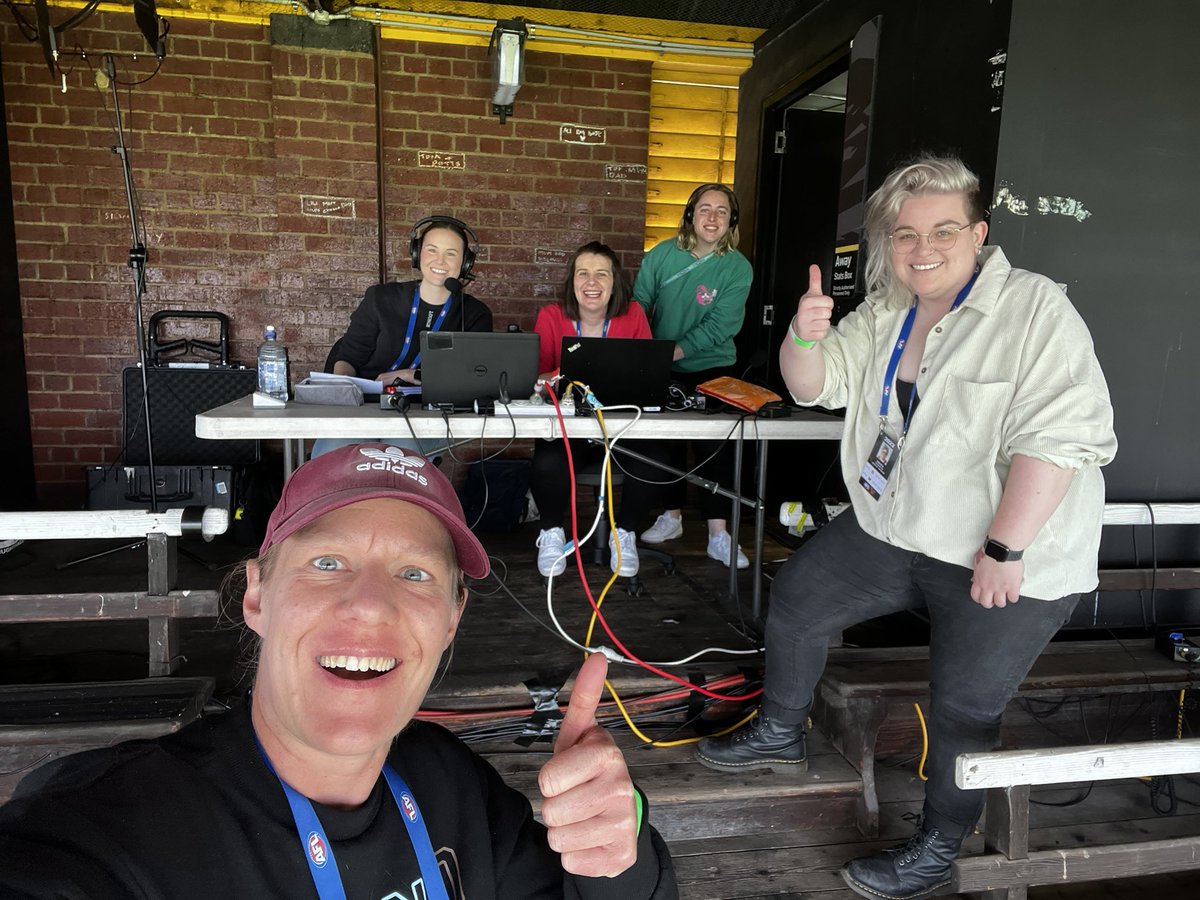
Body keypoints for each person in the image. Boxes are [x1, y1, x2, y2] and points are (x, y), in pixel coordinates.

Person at [695, 155, 1117, 900]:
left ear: (978, 234)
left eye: (943, 230)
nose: (923, 248)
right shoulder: (888, 310)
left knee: (963, 708)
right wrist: (803, 334)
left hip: (1006, 554)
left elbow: (1060, 438)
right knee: (797, 599)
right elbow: (814, 387)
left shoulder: (1034, 308)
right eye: (905, 233)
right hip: (901, 529)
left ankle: (937, 849)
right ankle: (780, 731)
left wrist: (1005, 547)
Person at [0, 444, 679, 899]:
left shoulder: (450, 785)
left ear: (449, 621)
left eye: (414, 574)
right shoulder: (113, 830)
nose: (370, 607)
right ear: (258, 596)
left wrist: (619, 856)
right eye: (328, 564)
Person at [633, 183, 753, 569]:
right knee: (666, 446)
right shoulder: (663, 255)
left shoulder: (737, 267)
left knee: (715, 448)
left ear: (731, 219)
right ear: (690, 215)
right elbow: (639, 303)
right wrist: (646, 352)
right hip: (662, 364)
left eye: (722, 210)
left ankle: (719, 535)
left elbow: (722, 325)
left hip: (714, 364)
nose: (713, 217)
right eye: (705, 209)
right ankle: (671, 518)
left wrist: (672, 351)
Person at [531, 241, 665, 579]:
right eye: (583, 274)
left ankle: (627, 533)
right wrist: (557, 378)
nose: (592, 283)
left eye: (601, 274)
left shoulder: (633, 315)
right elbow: (535, 376)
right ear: (572, 282)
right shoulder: (550, 316)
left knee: (654, 456)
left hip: (622, 423)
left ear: (614, 282)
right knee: (547, 458)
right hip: (571, 424)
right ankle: (551, 533)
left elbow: (647, 372)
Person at [313, 215, 493, 458]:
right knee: (332, 456)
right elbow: (348, 357)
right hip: (366, 407)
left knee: (397, 456)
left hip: (426, 414)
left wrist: (410, 375)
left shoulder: (474, 314)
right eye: (432, 250)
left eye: (451, 253)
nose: (440, 260)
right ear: (418, 254)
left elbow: (471, 379)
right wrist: (343, 391)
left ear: (466, 263)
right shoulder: (381, 298)